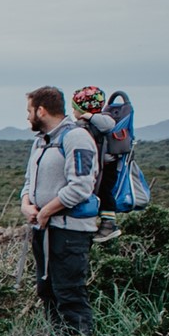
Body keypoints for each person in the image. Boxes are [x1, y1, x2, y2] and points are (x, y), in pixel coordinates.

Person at [20, 84, 99, 336]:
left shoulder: (76, 138)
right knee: (48, 291)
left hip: (70, 233)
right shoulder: (40, 143)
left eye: (29, 110)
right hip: (44, 230)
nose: (27, 116)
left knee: (70, 294)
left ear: (41, 111)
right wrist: (26, 205)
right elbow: (28, 181)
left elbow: (81, 186)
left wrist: (46, 212)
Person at [71, 85, 121, 243]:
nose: (73, 112)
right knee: (97, 194)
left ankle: (109, 225)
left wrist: (87, 116)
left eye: (75, 108)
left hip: (107, 168)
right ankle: (96, 224)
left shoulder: (103, 119)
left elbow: (108, 125)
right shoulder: (85, 125)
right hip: (98, 166)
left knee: (105, 193)